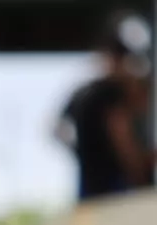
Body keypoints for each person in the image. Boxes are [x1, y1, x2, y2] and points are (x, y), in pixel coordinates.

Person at [57, 28, 151, 201]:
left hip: (88, 187)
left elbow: (58, 130)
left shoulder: (81, 92)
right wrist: (140, 177)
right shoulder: (112, 92)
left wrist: (80, 152)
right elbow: (121, 136)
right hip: (115, 187)